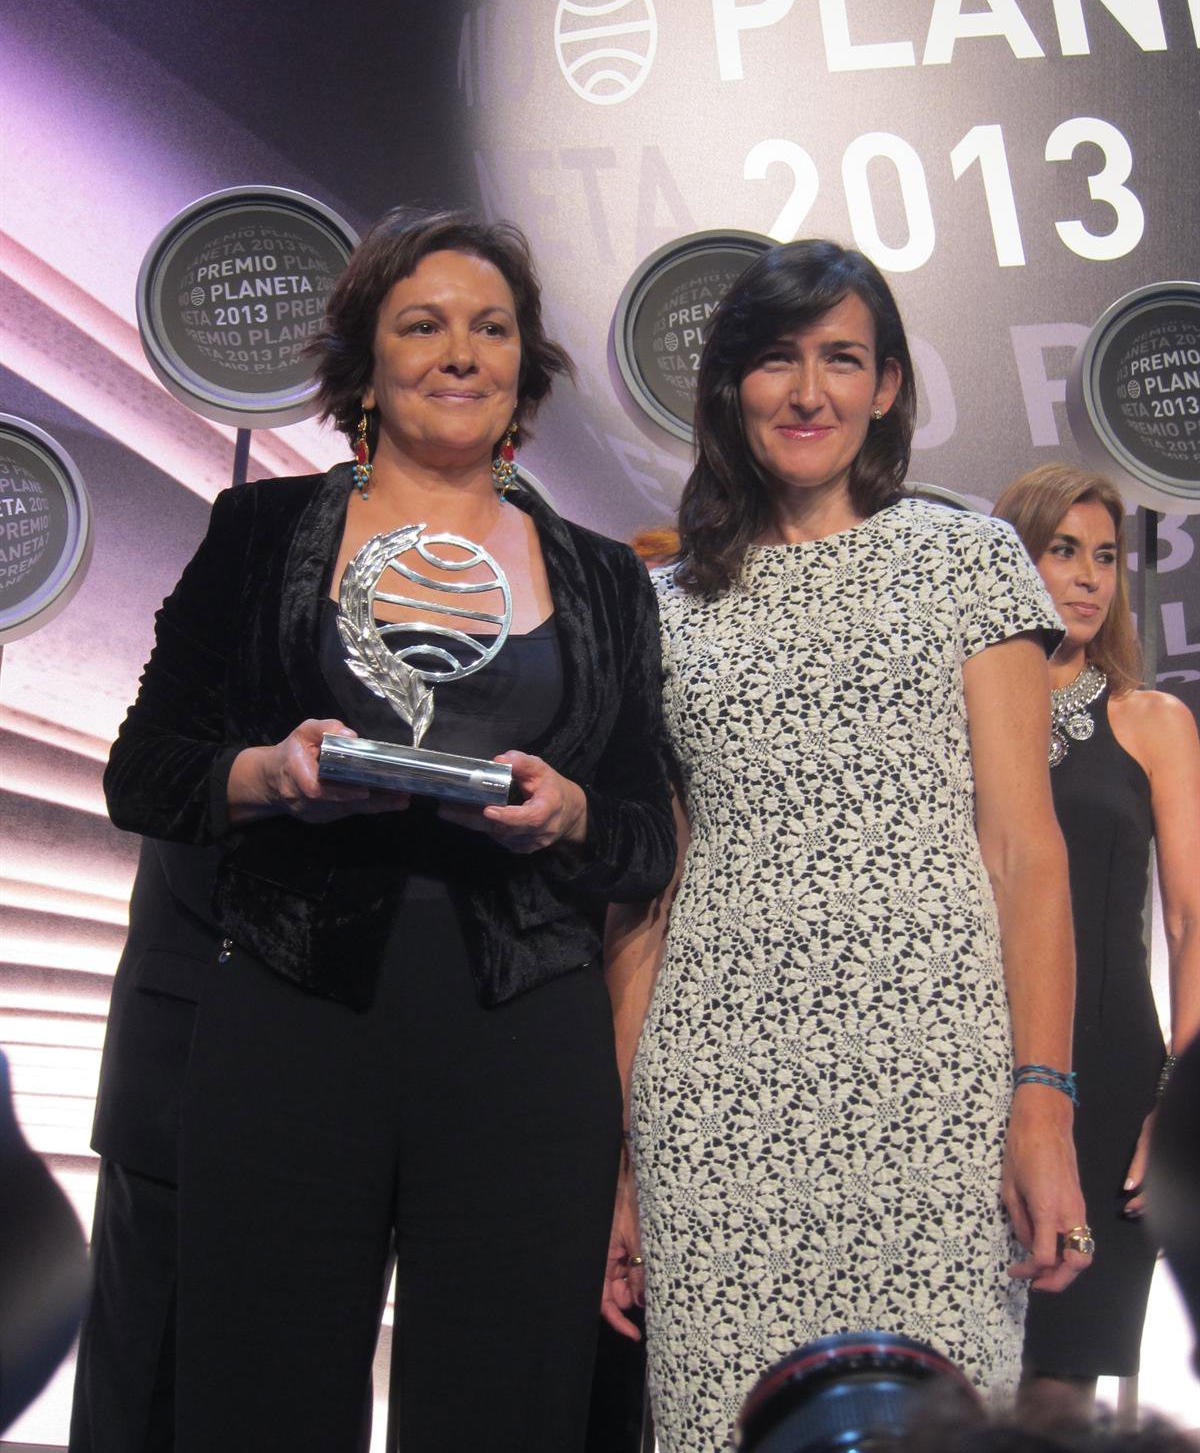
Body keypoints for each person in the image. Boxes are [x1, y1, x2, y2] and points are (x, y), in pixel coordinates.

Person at [68, 208, 676, 1453]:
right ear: (366, 360)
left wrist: (567, 813)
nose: (460, 353)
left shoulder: (607, 577)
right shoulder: (259, 533)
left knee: (504, 1417)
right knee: (260, 1408)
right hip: (293, 1019)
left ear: (525, 364)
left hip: (523, 1041)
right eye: (423, 325)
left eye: (491, 328)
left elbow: (642, 839)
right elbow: (147, 773)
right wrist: (272, 774)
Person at [602, 239, 1090, 1453]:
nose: (809, 391)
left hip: (938, 1094)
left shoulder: (968, 559)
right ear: (732, 385)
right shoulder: (664, 609)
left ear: (887, 385)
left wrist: (1043, 1106)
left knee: (946, 1429)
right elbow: (651, 901)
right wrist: (626, 1163)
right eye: (778, 359)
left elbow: (1025, 853)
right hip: (715, 1102)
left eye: (842, 359)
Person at [994, 464, 1200, 1408]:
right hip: (966, 1063)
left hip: (1115, 1084)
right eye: (1062, 550)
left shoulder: (1151, 721)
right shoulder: (950, 722)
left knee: (1060, 1388)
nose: (1088, 577)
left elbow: (1191, 918)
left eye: (1106, 557)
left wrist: (1178, 1103)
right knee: (947, 1378)